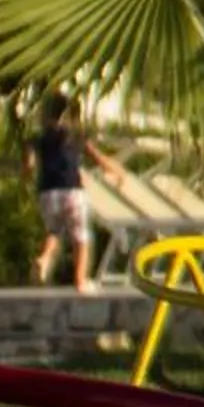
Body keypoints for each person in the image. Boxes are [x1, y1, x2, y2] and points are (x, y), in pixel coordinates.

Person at [26, 94, 128, 294]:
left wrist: (27, 176)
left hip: (48, 193)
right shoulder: (75, 136)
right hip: (73, 191)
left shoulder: (37, 138)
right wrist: (117, 173)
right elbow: (98, 158)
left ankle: (44, 259)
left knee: (54, 231)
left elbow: (28, 165)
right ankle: (81, 281)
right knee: (81, 236)